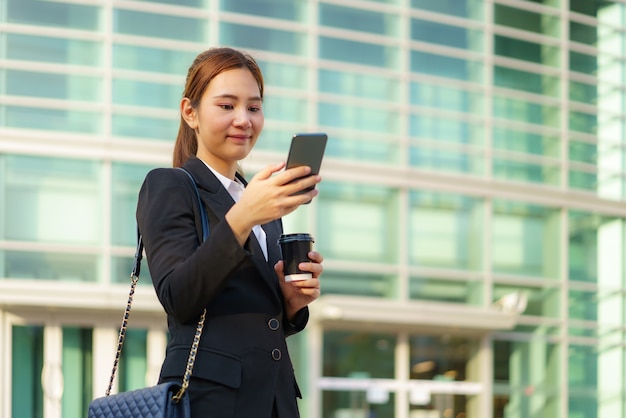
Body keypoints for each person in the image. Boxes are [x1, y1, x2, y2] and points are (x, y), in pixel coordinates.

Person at [135, 47, 324, 418]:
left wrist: (290, 303)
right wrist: (243, 216)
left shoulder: (261, 203)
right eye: (226, 106)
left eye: (254, 107)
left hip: (274, 402)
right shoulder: (170, 185)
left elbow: (251, 319)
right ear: (190, 112)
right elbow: (179, 295)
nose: (244, 119)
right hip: (210, 402)